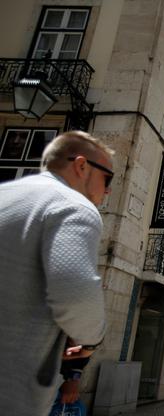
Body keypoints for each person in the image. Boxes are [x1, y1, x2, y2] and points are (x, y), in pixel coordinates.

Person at [0, 131, 112, 415]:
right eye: (107, 179)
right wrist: (90, 340)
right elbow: (75, 293)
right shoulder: (73, 206)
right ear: (81, 166)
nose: (108, 190)